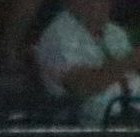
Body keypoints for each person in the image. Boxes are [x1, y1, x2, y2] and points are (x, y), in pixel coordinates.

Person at [35, 0, 140, 128]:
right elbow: (81, 86)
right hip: (90, 127)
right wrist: (129, 62)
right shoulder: (57, 36)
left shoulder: (115, 32)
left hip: (130, 113)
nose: (102, 5)